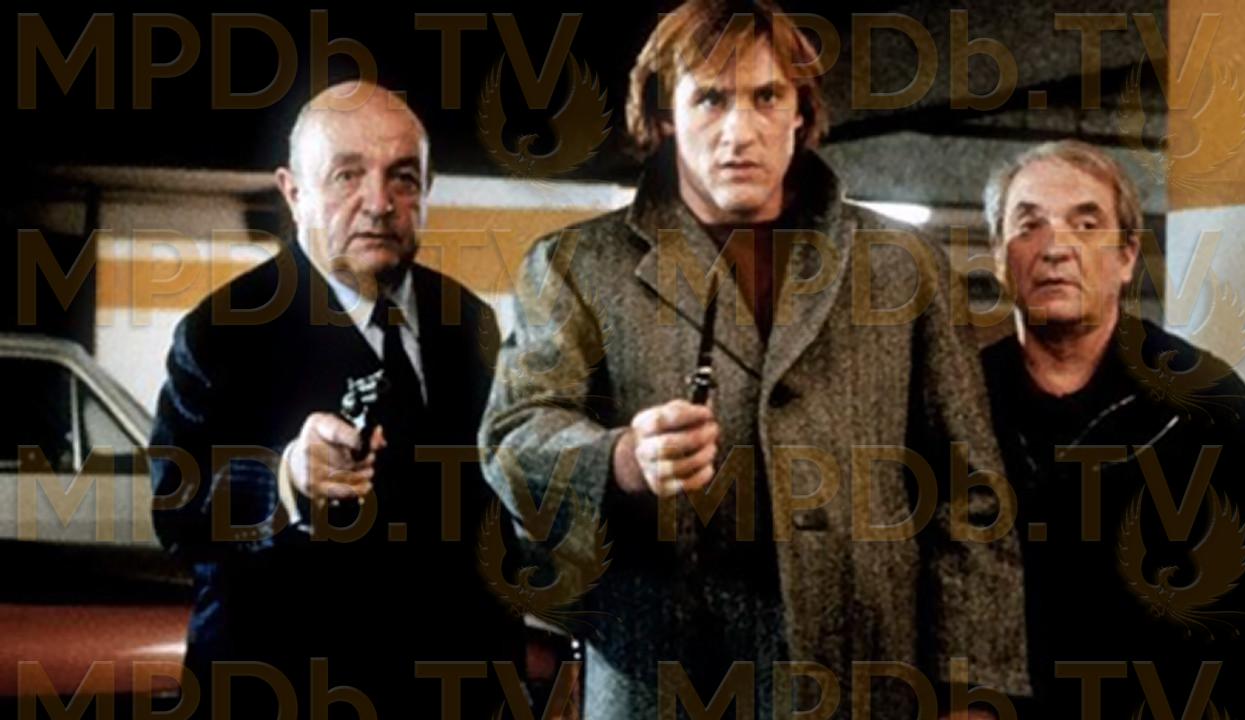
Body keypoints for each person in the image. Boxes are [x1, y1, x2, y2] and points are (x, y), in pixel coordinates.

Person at [481, 2, 1029, 717]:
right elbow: (514, 440)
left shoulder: (903, 266)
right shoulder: (578, 265)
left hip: (866, 682)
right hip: (664, 683)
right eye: (710, 99)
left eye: (766, 96)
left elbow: (970, 493)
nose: (740, 131)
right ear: (666, 114)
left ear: (800, 111)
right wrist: (621, 460)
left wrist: (974, 691)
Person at [149, 81, 520, 718]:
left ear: (427, 190)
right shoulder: (222, 332)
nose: (379, 203)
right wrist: (287, 479)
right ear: (293, 192)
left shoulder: (469, 321)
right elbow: (176, 510)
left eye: (403, 177)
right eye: (348, 175)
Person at [981, 139, 1245, 718]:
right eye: (1029, 225)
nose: (1055, 248)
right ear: (998, 255)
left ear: (1126, 257)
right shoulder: (957, 402)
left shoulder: (1208, 409)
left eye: (1086, 224)